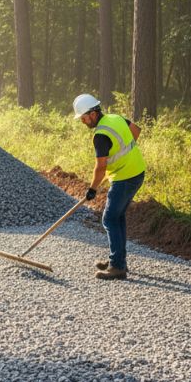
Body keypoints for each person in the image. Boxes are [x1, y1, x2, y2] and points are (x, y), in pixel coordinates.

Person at [74, 93, 146, 280]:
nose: (82, 121)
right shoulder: (115, 118)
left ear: (92, 114)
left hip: (125, 178)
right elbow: (136, 131)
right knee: (117, 216)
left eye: (83, 118)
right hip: (137, 172)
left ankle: (117, 267)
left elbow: (100, 167)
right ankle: (118, 259)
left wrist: (92, 189)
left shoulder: (100, 135)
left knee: (109, 219)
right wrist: (124, 155)